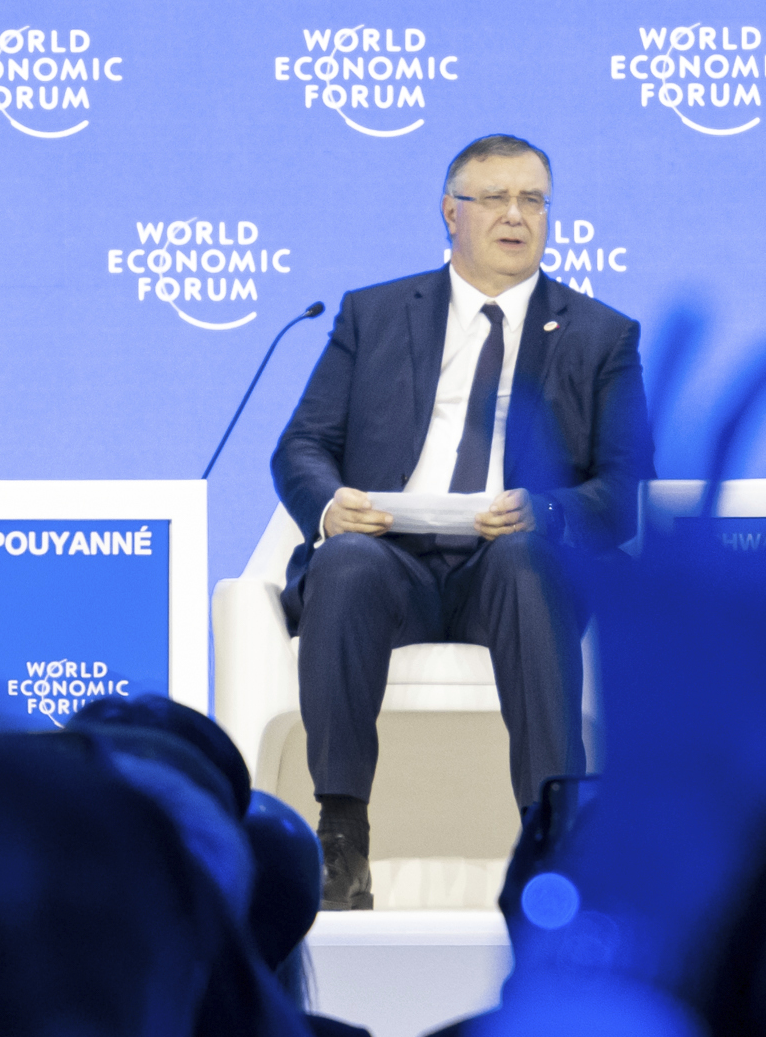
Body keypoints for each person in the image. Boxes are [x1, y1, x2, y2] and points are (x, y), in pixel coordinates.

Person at [268, 133, 649, 909]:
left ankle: (554, 838)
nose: (518, 216)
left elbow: (621, 491)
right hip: (392, 557)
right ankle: (341, 837)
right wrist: (332, 506)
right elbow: (301, 446)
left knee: (528, 560)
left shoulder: (603, 335)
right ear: (451, 212)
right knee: (344, 562)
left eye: (534, 199)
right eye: (496, 198)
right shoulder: (373, 314)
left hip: (512, 565)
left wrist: (545, 509)